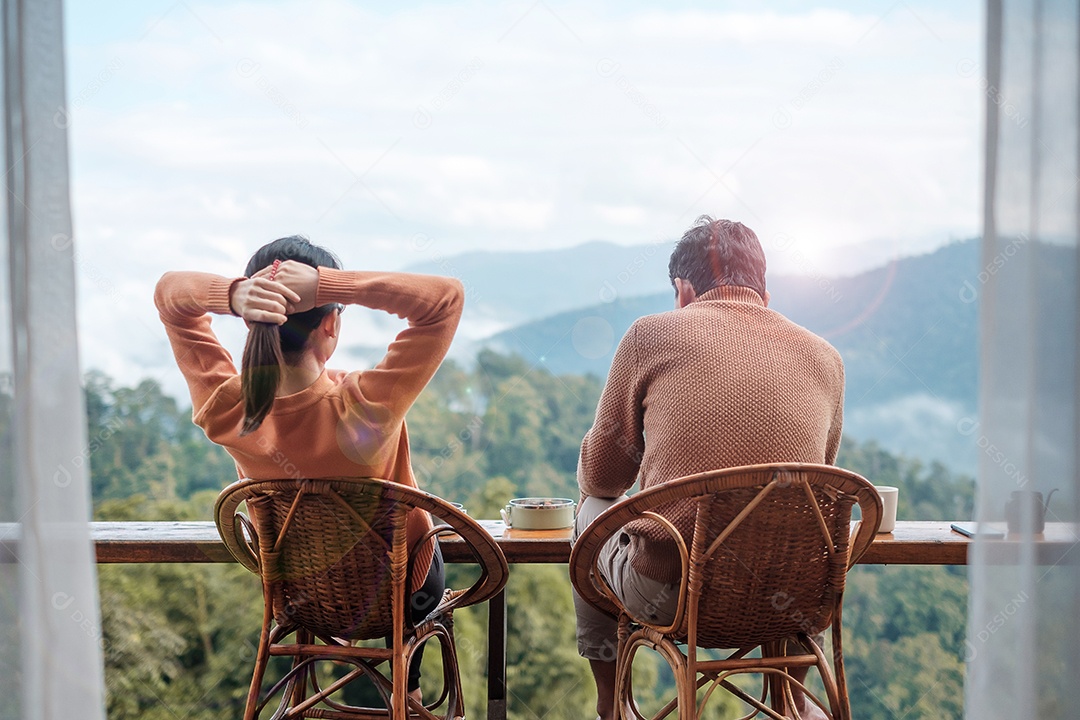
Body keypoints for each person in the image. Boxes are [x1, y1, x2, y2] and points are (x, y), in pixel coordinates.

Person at [155, 235, 463, 705]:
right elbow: (446, 299)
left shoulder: (228, 408)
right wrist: (330, 285)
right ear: (331, 325)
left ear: (252, 321)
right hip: (401, 597)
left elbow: (170, 295)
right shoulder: (367, 406)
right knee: (429, 540)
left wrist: (232, 295)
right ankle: (409, 691)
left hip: (300, 600)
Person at [572, 217, 844, 720]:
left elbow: (604, 478)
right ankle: (793, 700)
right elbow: (815, 489)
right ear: (764, 288)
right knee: (806, 531)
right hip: (785, 600)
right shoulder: (826, 357)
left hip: (674, 599)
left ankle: (612, 707)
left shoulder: (651, 335)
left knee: (591, 511)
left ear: (682, 289)